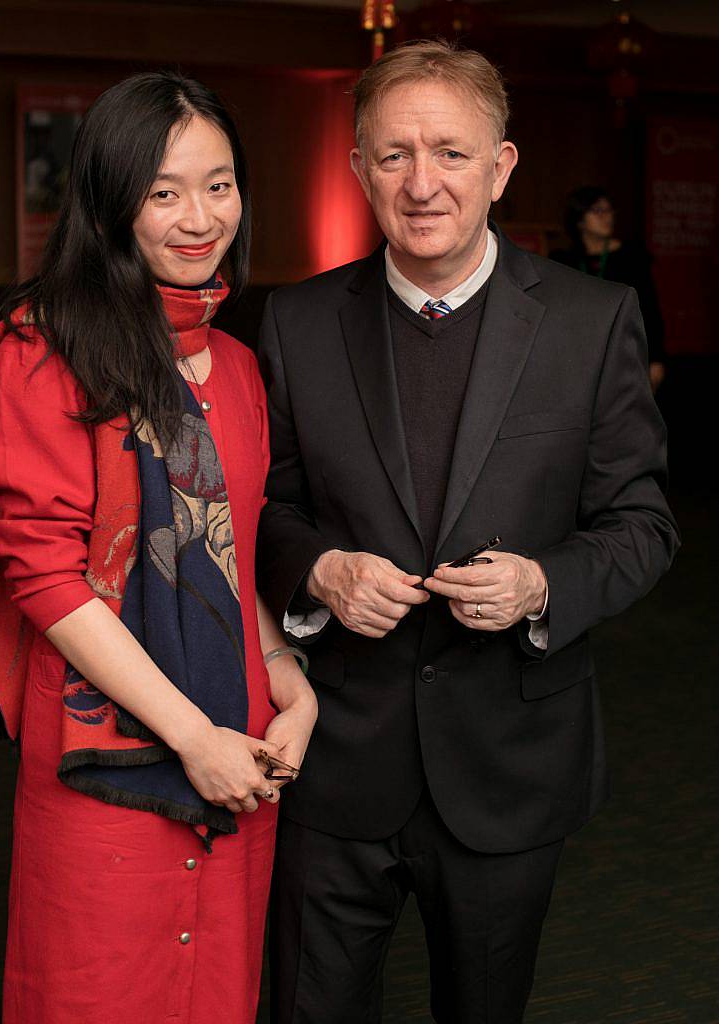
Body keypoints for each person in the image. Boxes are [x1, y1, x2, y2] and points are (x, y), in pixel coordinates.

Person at [256, 40, 679, 1024]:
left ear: (502, 166)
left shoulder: (593, 319)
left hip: (510, 759)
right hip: (333, 758)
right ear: (358, 169)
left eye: (451, 152)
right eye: (394, 154)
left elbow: (644, 523)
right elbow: (258, 507)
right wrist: (316, 570)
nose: (422, 182)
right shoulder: (296, 321)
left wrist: (543, 585)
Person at [0, 71, 317, 1024]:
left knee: (215, 989)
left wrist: (287, 675)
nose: (200, 218)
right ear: (112, 203)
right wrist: (188, 738)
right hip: (107, 738)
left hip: (235, 730)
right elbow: (43, 574)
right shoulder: (47, 341)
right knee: (98, 987)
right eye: (163, 192)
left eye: (219, 184)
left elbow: (228, 545)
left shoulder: (233, 363)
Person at [551, 185, 667, 392]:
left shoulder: (631, 257)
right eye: (598, 211)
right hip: (580, 357)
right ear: (579, 219)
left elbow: (649, 309)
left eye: (609, 210)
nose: (607, 217)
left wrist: (656, 358)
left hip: (625, 354)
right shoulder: (564, 260)